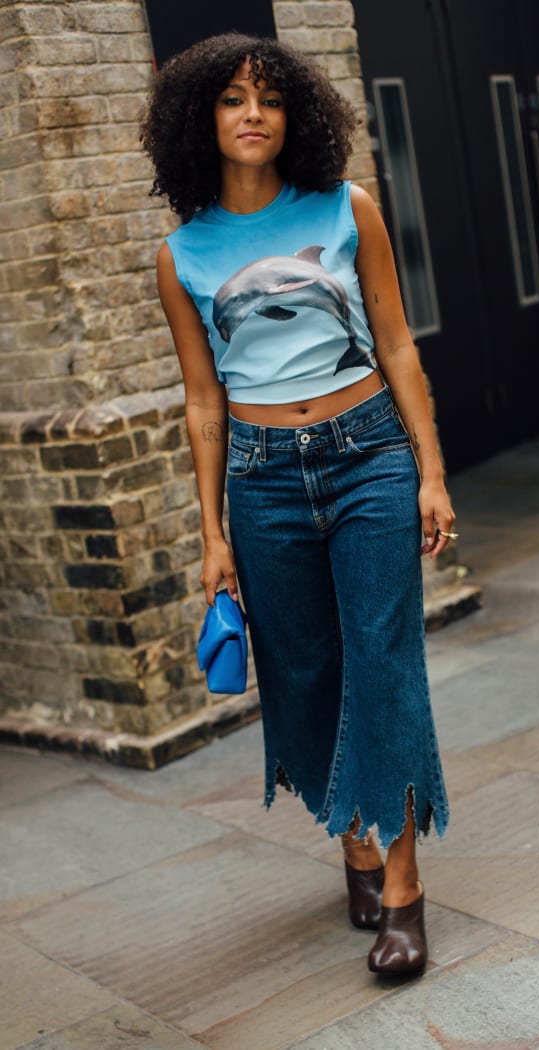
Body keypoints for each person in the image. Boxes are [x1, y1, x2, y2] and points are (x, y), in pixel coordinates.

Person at [141, 32, 455, 976]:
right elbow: (203, 401)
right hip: (262, 474)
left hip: (368, 458)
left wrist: (432, 471)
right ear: (202, 120)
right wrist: (212, 534)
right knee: (305, 670)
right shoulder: (182, 253)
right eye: (232, 99)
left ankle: (402, 886)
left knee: (385, 660)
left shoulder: (346, 207)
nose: (251, 114)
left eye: (269, 99)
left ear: (295, 116)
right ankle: (354, 843)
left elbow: (398, 346)